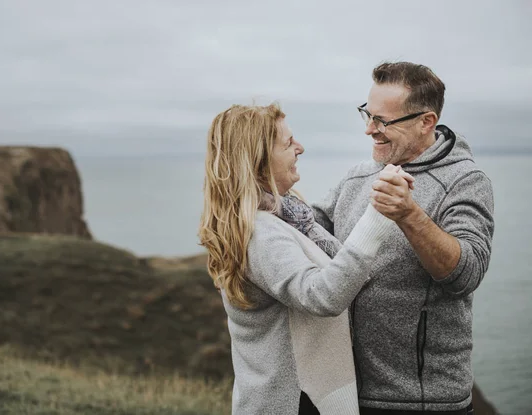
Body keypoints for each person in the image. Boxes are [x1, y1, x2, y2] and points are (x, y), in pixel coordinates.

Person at [198, 103, 412, 414]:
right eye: (288, 143)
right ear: (258, 161)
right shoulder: (261, 234)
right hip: (294, 403)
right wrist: (377, 216)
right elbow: (322, 296)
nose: (300, 148)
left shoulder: (289, 217)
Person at [313, 62, 494, 414]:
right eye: (367, 114)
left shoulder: (466, 181)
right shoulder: (357, 176)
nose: (369, 130)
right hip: (344, 393)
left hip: (423, 401)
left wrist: (409, 214)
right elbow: (309, 229)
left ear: (426, 121)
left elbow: (467, 274)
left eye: (382, 121)